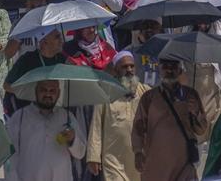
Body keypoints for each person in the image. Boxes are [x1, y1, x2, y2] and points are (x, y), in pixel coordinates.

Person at [131, 59, 207, 181]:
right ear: (159, 70)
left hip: (184, 164)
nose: (169, 70)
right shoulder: (149, 98)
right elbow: (138, 128)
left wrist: (195, 112)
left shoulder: (190, 95)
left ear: (180, 70)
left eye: (173, 66)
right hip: (156, 165)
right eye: (165, 66)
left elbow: (201, 129)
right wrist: (138, 152)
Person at [88, 52, 147, 181]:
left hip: (140, 158)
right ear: (115, 70)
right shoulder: (105, 94)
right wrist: (93, 156)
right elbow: (96, 126)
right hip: (114, 160)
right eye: (124, 67)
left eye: (132, 66)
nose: (129, 70)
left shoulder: (146, 93)